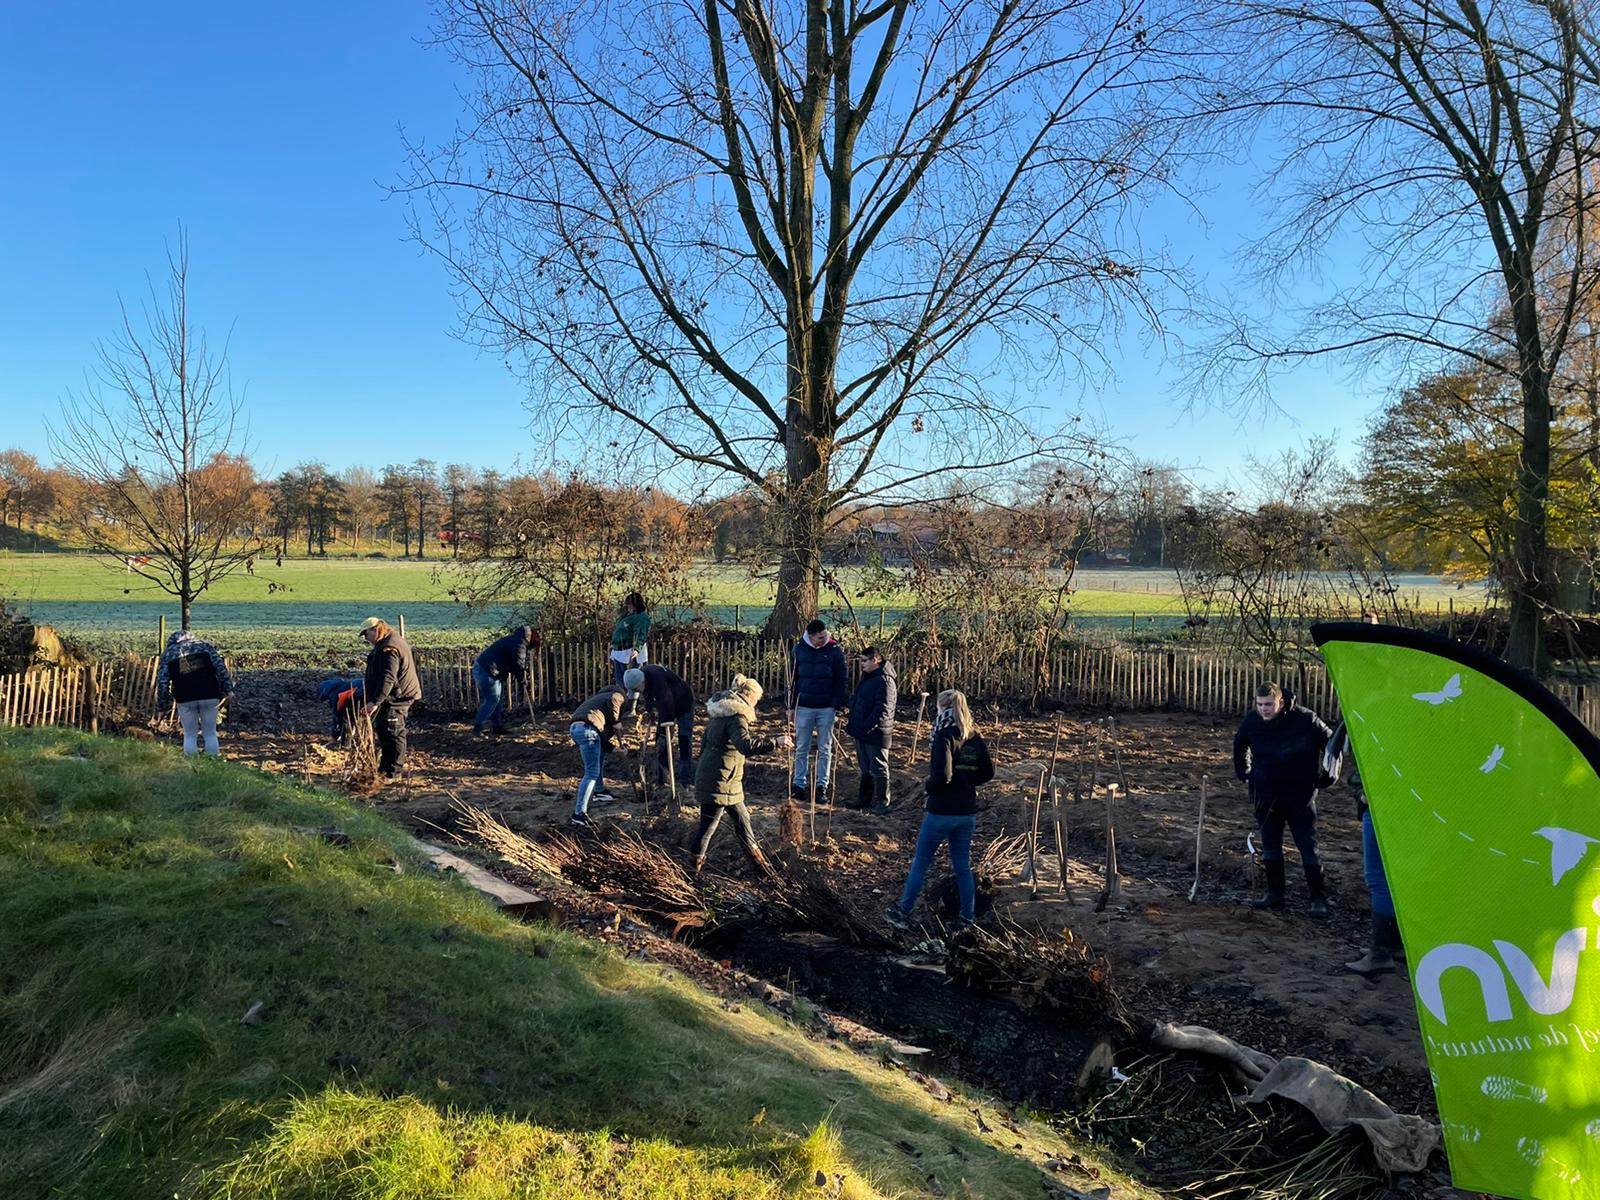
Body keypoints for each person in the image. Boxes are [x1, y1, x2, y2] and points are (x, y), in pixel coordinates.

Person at [886, 689, 993, 931]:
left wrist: (928, 787)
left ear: (942, 709)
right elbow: (988, 772)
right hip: (966, 812)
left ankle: (903, 912)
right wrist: (968, 782)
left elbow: (942, 776)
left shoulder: (943, 736)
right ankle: (967, 917)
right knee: (962, 866)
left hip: (942, 811)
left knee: (922, 862)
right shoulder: (974, 737)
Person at [1234, 680, 1334, 917]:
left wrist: (1328, 776)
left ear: (1281, 701)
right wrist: (1245, 773)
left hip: (1300, 795)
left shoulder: (1305, 719)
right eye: (1259, 705)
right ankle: (1275, 894)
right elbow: (1239, 744)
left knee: (1307, 846)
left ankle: (1318, 898)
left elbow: (1332, 743)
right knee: (1270, 845)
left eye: (1268, 704)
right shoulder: (1252, 720)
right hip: (1266, 795)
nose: (1263, 709)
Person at [692, 673, 792, 876]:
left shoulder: (721, 714)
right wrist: (776, 742)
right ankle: (691, 871)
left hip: (722, 779)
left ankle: (761, 870)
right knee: (709, 826)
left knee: (742, 820)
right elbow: (745, 745)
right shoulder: (736, 718)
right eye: (756, 699)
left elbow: (703, 747)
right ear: (749, 697)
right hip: (720, 781)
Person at [787, 618, 847, 801]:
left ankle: (822, 786)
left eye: (825, 636)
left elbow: (841, 679)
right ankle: (799, 785)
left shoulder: (834, 650)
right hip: (803, 706)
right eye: (820, 637)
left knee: (825, 748)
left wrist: (837, 704)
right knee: (802, 747)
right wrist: (790, 706)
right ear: (810, 636)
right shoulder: (798, 650)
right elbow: (791, 679)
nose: (824, 639)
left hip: (826, 708)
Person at [359, 616, 422, 780]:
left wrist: (375, 702)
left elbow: (388, 678)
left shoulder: (389, 648)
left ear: (375, 630)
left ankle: (393, 772)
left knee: (393, 731)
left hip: (397, 697)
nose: (366, 639)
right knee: (384, 730)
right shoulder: (387, 642)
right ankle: (385, 769)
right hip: (392, 696)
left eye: (366, 634)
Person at [156, 628, 234, 757]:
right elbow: (220, 668)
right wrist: (228, 689)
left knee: (189, 734)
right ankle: (213, 762)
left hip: (185, 697)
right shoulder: (205, 647)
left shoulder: (168, 653)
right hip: (209, 694)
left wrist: (163, 707)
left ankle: (192, 764)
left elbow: (162, 682)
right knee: (210, 732)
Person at [624, 663, 695, 785]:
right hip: (667, 706)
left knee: (684, 740)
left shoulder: (659, 681)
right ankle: (663, 779)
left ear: (642, 682)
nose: (636, 692)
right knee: (661, 744)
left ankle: (685, 780)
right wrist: (650, 711)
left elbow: (668, 706)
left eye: (636, 689)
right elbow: (648, 695)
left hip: (684, 703)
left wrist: (663, 733)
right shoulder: (643, 675)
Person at [844, 646, 897, 811]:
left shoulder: (885, 681)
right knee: (865, 767)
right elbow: (859, 700)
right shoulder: (867, 678)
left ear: (875, 660)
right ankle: (864, 799)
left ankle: (883, 802)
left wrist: (867, 726)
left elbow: (883, 710)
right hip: (862, 731)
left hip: (876, 733)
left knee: (879, 767)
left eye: (864, 660)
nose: (862, 664)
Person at [569, 683, 627, 826]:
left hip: (577, 728)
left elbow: (602, 736)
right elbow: (614, 701)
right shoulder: (617, 695)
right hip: (588, 731)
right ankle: (579, 814)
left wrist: (612, 748)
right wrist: (617, 722)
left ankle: (599, 791)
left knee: (599, 754)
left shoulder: (598, 700)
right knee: (591, 773)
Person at [472, 625, 540, 735]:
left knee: (498, 699)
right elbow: (518, 664)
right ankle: (478, 726)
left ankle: (497, 726)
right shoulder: (520, 644)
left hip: (490, 670)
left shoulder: (514, 640)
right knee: (493, 699)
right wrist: (522, 679)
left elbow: (510, 662)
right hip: (487, 670)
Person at [608, 592, 651, 688]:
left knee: (631, 680)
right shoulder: (627, 615)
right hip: (620, 651)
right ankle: (622, 696)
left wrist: (637, 648)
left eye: (629, 604)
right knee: (620, 679)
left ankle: (632, 699)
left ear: (635, 605)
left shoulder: (641, 618)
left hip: (630, 652)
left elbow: (641, 633)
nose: (627, 606)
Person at [317, 675, 364, 746]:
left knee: (347, 720)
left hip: (361, 693)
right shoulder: (344, 686)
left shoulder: (336, 694)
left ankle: (346, 745)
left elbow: (337, 717)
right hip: (371, 688)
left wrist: (334, 736)